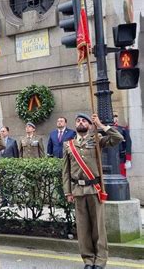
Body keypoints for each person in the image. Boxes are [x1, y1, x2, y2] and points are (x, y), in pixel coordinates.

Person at [63, 113, 123, 269]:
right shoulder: (68, 145)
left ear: (89, 125)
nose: (81, 122)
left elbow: (118, 138)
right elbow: (66, 171)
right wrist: (67, 192)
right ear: (75, 125)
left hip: (94, 189)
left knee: (98, 227)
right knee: (83, 229)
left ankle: (100, 260)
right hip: (77, 190)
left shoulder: (96, 140)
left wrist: (102, 126)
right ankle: (88, 260)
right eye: (78, 121)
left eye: (84, 121)